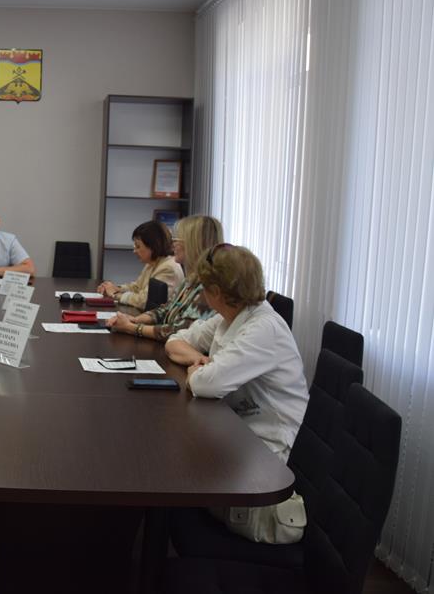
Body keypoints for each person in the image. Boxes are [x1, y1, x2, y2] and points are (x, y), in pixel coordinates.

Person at [165, 244, 309, 543]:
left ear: (216, 291)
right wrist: (200, 361)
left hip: (268, 450)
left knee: (173, 462)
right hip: (238, 430)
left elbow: (206, 384)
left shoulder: (263, 328)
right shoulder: (230, 317)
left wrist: (199, 372)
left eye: (204, 288)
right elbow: (175, 342)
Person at [108, 215, 222, 341]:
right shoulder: (191, 279)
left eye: (176, 240)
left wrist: (132, 328)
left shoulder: (207, 287)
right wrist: (135, 320)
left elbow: (180, 330)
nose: (172, 245)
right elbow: (167, 308)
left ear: (193, 245)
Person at [96, 220, 183, 311]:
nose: (134, 251)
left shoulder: (168, 268)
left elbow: (144, 301)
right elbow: (137, 287)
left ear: (153, 246)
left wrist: (115, 294)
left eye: (138, 246)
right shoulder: (152, 263)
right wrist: (116, 288)